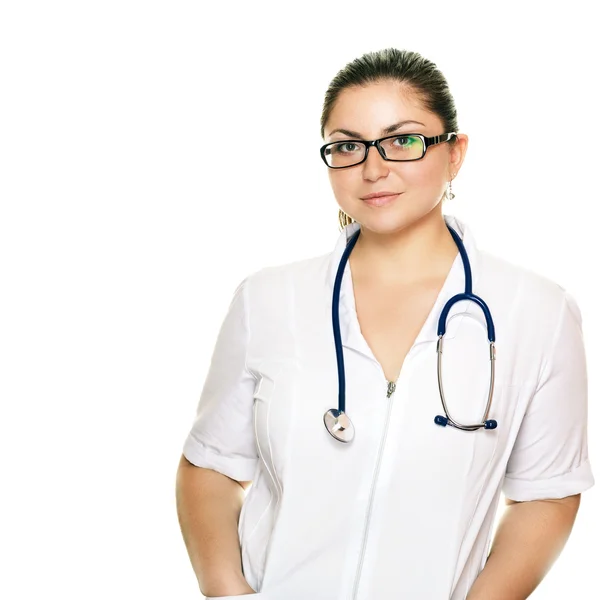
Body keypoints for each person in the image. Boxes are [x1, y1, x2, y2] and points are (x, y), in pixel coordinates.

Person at [175, 48, 595, 600]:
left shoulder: (536, 310)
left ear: (455, 154)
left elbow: (547, 491)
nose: (373, 169)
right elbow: (209, 467)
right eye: (347, 146)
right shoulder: (267, 300)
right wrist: (225, 587)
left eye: (404, 140)